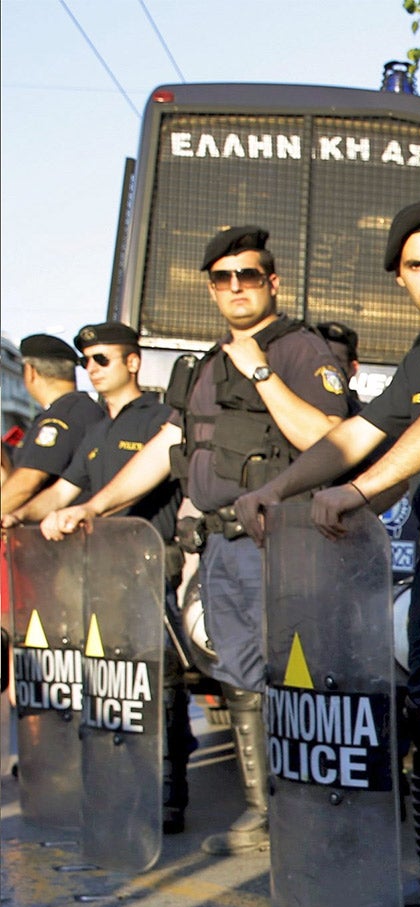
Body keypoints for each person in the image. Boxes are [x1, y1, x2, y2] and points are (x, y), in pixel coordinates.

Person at [231, 199, 420, 907]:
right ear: (400, 278)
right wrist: (275, 493)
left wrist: (360, 494)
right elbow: (359, 432)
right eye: (415, 267)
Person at [58, 225, 353, 856]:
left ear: (271, 281)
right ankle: (265, 810)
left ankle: (307, 814)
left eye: (249, 275)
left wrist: (266, 375)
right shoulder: (205, 365)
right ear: (212, 289)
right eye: (223, 278)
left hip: (282, 543)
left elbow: (331, 439)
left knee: (296, 677)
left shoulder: (299, 350)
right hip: (221, 545)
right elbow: (170, 448)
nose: (236, 288)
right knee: (241, 676)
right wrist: (97, 503)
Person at [29, 322, 194, 832]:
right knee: (108, 681)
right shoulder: (97, 430)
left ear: (133, 362)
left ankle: (167, 792)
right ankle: (122, 783)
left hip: (146, 563)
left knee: (158, 683)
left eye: (102, 359)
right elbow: (61, 491)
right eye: (86, 362)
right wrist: (17, 515)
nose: (92, 370)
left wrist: (88, 509)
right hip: (97, 570)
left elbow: (149, 478)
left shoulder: (160, 418)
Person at [1, 336, 103, 526]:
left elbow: (27, 482)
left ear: (30, 372)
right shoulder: (78, 409)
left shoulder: (61, 417)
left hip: (59, 544)